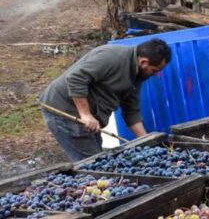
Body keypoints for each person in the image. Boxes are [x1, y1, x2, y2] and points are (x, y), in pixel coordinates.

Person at [39, 38, 171, 161]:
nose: (156, 74)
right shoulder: (112, 57)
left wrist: (145, 139)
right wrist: (86, 115)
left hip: (87, 116)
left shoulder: (137, 74)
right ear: (143, 62)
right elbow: (76, 78)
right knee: (91, 164)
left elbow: (131, 110)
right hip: (65, 110)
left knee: (98, 158)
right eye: (154, 70)